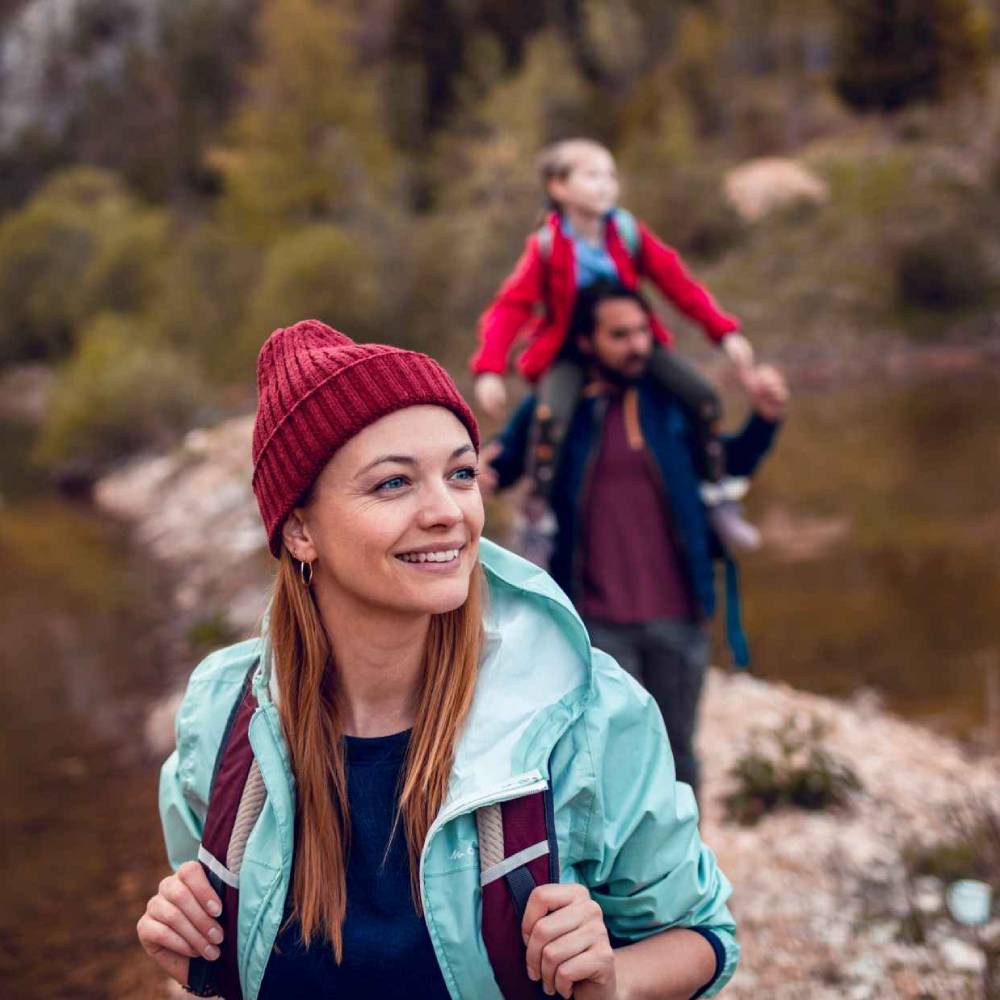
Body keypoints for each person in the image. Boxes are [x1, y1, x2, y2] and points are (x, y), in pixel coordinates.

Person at [136, 320, 739, 1000]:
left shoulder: (586, 712)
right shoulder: (222, 720)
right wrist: (196, 960)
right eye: (394, 484)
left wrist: (613, 980)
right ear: (300, 529)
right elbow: (224, 955)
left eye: (460, 474)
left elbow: (705, 937)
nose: (448, 512)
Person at [481, 285, 788, 797]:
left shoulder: (672, 405)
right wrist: (469, 473)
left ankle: (683, 871)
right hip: (595, 623)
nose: (638, 345)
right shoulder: (552, 413)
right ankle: (613, 874)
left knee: (678, 754)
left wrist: (765, 418)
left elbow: (729, 464)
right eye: (620, 335)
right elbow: (500, 466)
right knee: (606, 760)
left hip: (679, 615)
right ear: (586, 340)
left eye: (643, 331)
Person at [470, 137, 760, 558]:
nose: (606, 185)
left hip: (631, 341)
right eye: (591, 175)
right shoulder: (548, 245)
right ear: (558, 186)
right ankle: (537, 516)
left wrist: (725, 332)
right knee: (550, 416)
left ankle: (717, 493)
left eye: (610, 175)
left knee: (702, 396)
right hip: (571, 348)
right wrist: (489, 368)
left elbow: (678, 284)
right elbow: (511, 306)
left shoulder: (626, 233)